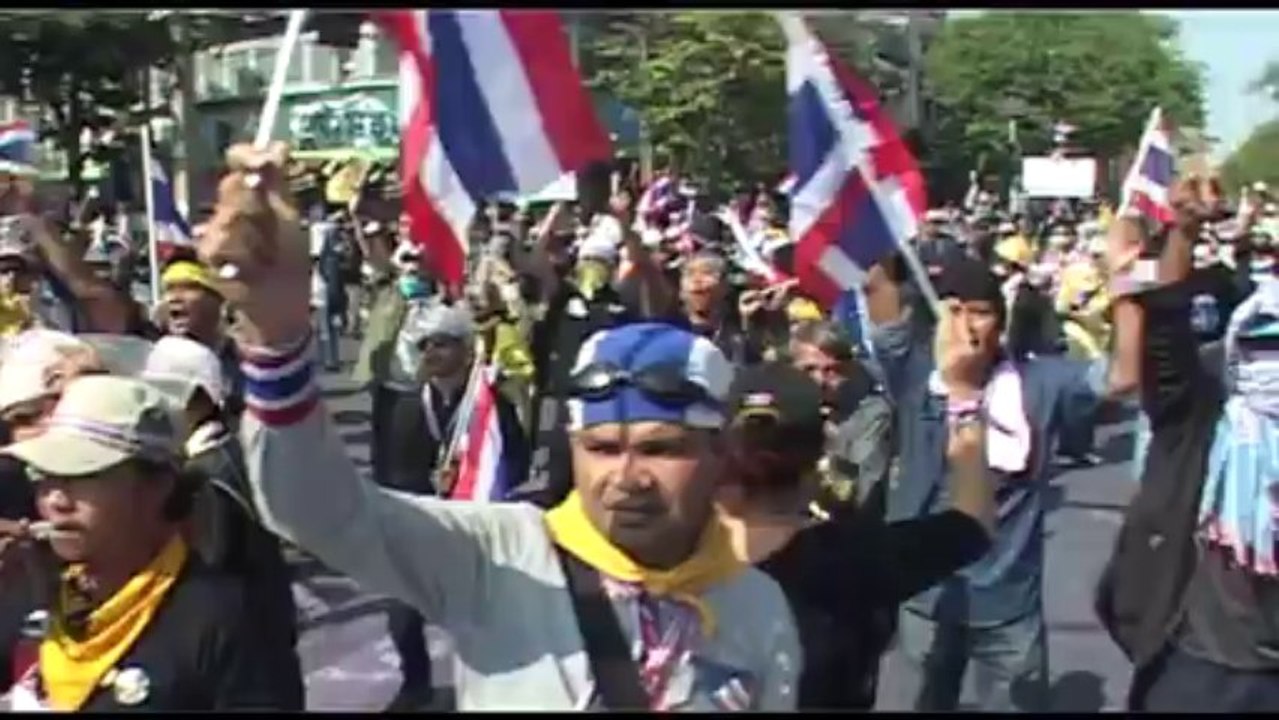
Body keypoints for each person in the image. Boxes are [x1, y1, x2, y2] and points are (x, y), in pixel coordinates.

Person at [866, 245, 1141, 712]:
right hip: (925, 598)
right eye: (953, 312)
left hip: (1009, 604)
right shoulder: (915, 375)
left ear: (1002, 322)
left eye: (981, 313)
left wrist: (1127, 290)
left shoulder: (1039, 383)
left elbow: (1122, 378)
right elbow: (878, 291)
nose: (968, 327)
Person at [0, 375, 303, 710]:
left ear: (157, 486)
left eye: (83, 476)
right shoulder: (34, 591)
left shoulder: (226, 622)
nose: (55, 500)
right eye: (44, 476)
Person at [1096, 181, 1279, 711]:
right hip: (1199, 669)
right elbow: (1166, 342)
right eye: (1263, 343)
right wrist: (1183, 231)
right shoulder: (1204, 420)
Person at [717, 361, 993, 710]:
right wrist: (966, 407)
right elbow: (973, 522)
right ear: (817, 464)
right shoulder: (857, 559)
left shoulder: (673, 552)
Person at [138, 334, 299, 661]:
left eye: (165, 395)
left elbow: (213, 567)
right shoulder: (231, 449)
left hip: (246, 640)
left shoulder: (206, 475)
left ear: (200, 398)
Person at [787, 320, 893, 517]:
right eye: (808, 370)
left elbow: (865, 494)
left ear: (849, 369)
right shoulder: (788, 410)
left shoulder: (872, 415)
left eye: (831, 370)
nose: (819, 380)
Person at [157, 259, 244, 421]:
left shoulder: (245, 360)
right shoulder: (153, 356)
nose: (175, 297)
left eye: (189, 288)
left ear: (218, 300)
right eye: (169, 289)